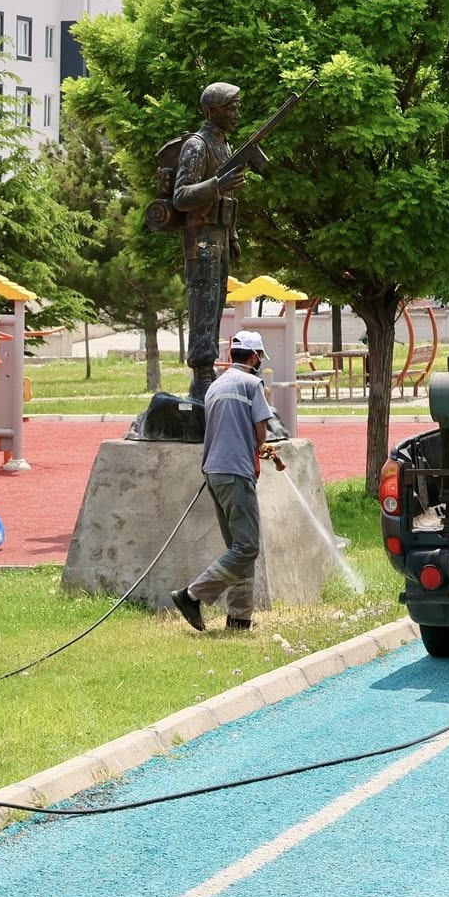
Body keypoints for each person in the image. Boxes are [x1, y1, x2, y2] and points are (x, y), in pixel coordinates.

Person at [172, 329, 275, 633]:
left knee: (238, 546)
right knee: (247, 547)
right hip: (236, 471)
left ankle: (239, 618)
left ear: (231, 355)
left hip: (214, 471)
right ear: (254, 357)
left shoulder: (215, 386)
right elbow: (260, 433)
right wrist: (261, 450)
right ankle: (192, 595)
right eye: (259, 358)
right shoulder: (252, 384)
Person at [170, 82, 265, 402]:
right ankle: (201, 376)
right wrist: (217, 183)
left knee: (215, 304)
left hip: (220, 236)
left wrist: (233, 234)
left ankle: (208, 371)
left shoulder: (223, 145)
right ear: (212, 112)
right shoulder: (197, 146)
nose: (237, 113)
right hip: (202, 239)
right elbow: (181, 196)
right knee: (203, 306)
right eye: (231, 108)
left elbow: (228, 197)